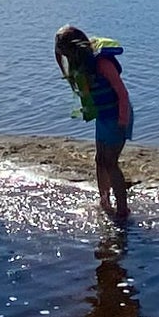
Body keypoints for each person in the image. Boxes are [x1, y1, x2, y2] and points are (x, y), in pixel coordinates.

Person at [54, 25, 135, 220]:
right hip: (103, 116)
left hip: (117, 115)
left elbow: (122, 93)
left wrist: (122, 119)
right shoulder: (80, 66)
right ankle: (104, 200)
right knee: (100, 159)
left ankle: (122, 209)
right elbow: (59, 57)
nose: (66, 57)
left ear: (76, 49)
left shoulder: (101, 63)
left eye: (67, 53)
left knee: (111, 162)